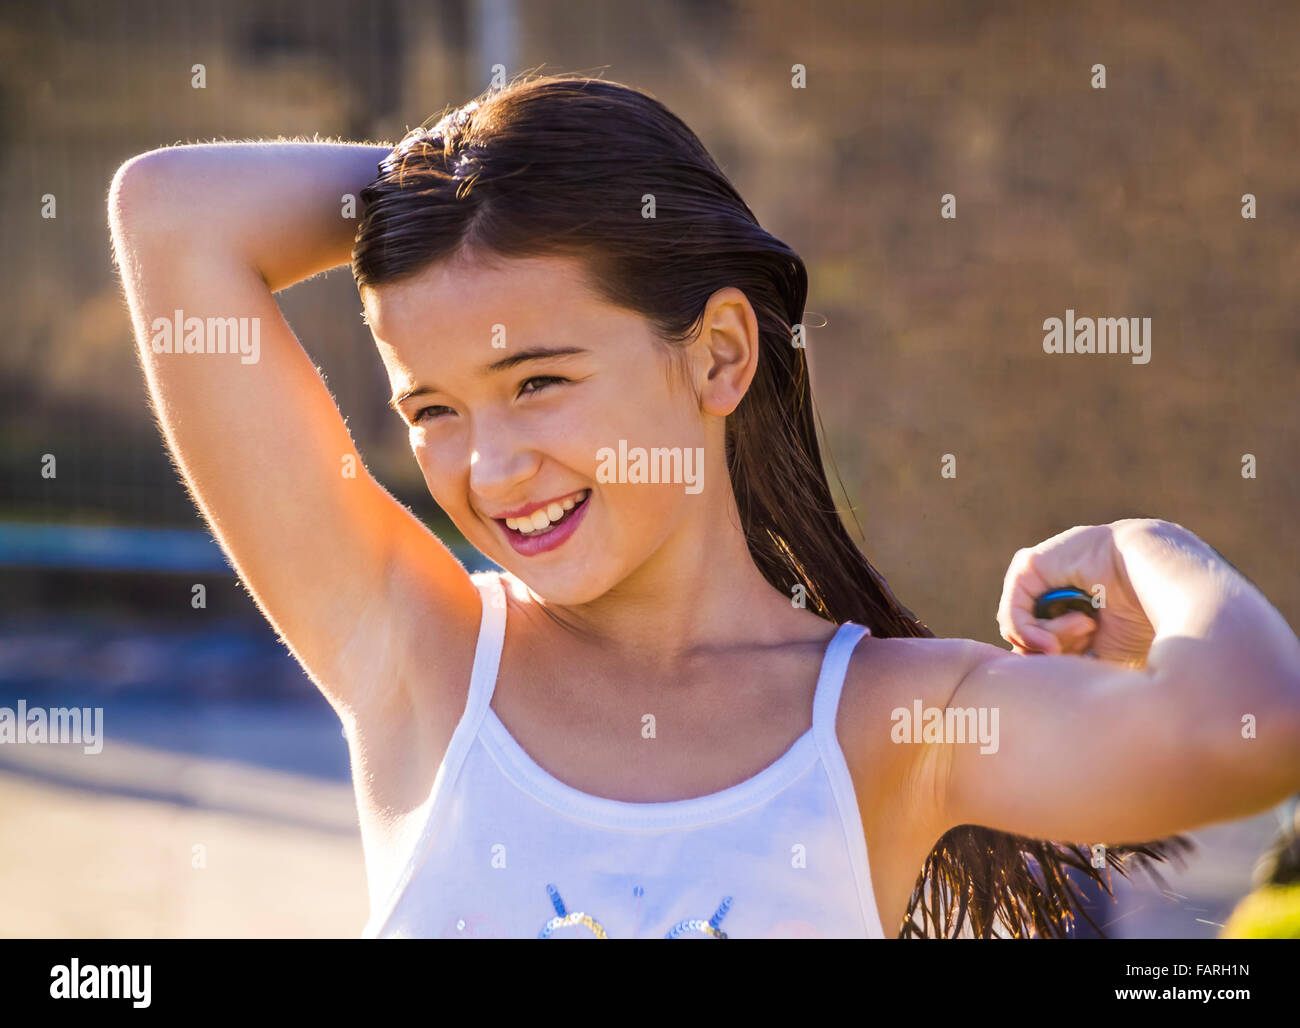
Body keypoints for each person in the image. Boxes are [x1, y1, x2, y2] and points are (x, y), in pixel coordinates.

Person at [106, 73, 1300, 938]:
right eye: (432, 409)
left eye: (538, 380)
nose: (492, 465)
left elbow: (1245, 737)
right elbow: (169, 214)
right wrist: (479, 183)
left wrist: (1153, 550)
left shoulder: (892, 721)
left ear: (719, 356)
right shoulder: (420, 657)